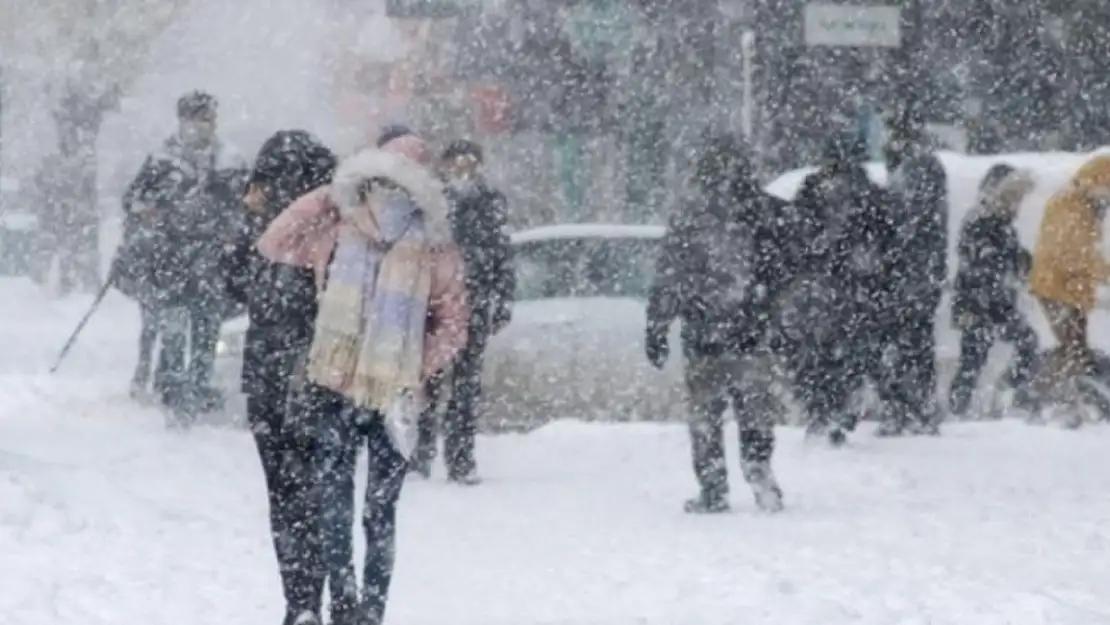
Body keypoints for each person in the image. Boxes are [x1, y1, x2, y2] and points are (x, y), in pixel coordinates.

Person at [257, 128, 469, 625]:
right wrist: (415, 366)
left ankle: (349, 606)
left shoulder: (345, 229)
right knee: (375, 511)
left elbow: (274, 239)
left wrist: (328, 196)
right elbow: (455, 325)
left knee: (342, 505)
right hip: (378, 396)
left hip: (349, 389)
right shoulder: (412, 242)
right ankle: (365, 611)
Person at [644, 132, 798, 514]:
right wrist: (776, 316)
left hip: (704, 332)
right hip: (752, 329)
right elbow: (788, 271)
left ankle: (713, 487)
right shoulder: (766, 212)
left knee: (705, 416)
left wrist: (658, 325)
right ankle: (759, 471)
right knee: (755, 411)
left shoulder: (690, 216)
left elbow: (670, 275)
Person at [224, 130, 338, 625]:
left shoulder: (270, 237)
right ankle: (330, 594)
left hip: (273, 376)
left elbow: (232, 285)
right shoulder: (339, 222)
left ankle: (301, 600)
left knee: (286, 496)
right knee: (324, 491)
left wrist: (247, 218)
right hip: (325, 375)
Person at [122, 90, 247, 418]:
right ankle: (173, 390)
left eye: (210, 119)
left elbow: (246, 207)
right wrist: (150, 212)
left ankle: (198, 388)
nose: (205, 126)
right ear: (184, 121)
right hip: (169, 260)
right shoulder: (161, 160)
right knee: (174, 329)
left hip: (212, 261)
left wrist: (234, 227)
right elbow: (133, 200)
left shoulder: (229, 161)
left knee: (207, 332)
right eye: (199, 119)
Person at [778, 132, 897, 446]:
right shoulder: (872, 196)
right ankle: (839, 408)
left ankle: (822, 410)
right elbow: (888, 246)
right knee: (850, 356)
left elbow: (793, 237)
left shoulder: (812, 190)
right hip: (857, 291)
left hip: (820, 291)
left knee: (815, 357)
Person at [411, 139, 514, 483]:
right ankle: (421, 453)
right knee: (429, 380)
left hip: (475, 302)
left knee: (466, 387)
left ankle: (461, 459)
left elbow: (502, 253)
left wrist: (501, 298)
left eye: (470, 164)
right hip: (436, 304)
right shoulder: (431, 202)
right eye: (457, 164)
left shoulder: (490, 202)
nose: (463, 171)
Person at [948, 164, 1039, 418]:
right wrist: (1007, 263)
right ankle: (962, 407)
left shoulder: (1001, 222)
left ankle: (1006, 391)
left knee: (1024, 343)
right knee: (974, 359)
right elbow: (982, 264)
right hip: (977, 305)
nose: (1017, 204)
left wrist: (1022, 261)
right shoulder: (981, 220)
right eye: (1013, 197)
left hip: (996, 303)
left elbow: (1005, 258)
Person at [1028, 154, 1110, 428]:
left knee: (1076, 350)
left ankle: (1058, 402)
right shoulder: (1071, 207)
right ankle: (1038, 398)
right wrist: (1105, 273)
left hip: (1069, 289)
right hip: (1057, 288)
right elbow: (1077, 254)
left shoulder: (1084, 205)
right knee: (1073, 350)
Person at [880, 106, 948, 436]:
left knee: (908, 341)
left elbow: (907, 220)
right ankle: (914, 407)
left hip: (911, 273)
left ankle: (909, 408)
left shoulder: (916, 167)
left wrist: (887, 247)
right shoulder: (922, 165)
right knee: (914, 341)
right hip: (919, 272)